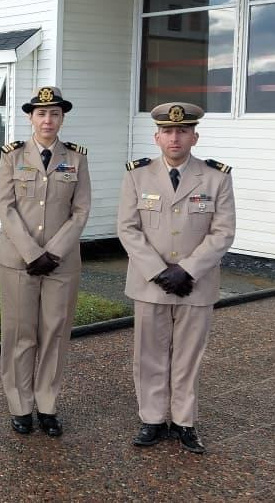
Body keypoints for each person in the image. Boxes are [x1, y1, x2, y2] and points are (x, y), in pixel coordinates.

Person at [117, 102, 236, 454]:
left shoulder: (217, 177)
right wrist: (159, 271)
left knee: (188, 356)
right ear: (156, 137)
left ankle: (184, 421)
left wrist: (187, 270)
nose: (175, 137)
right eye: (168, 131)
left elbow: (223, 232)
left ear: (194, 136)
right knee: (149, 354)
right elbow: (127, 228)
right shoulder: (137, 175)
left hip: (195, 284)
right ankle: (152, 419)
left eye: (182, 131)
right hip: (150, 282)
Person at [0, 86, 91, 437]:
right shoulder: (12, 156)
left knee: (54, 332)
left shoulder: (77, 158)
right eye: (41, 113)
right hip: (18, 259)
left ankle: (47, 403)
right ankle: (20, 404)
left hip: (61, 263)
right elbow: (5, 207)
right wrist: (33, 253)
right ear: (30, 117)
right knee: (21, 333)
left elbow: (80, 211)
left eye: (54, 114)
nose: (47, 119)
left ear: (62, 117)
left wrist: (54, 252)